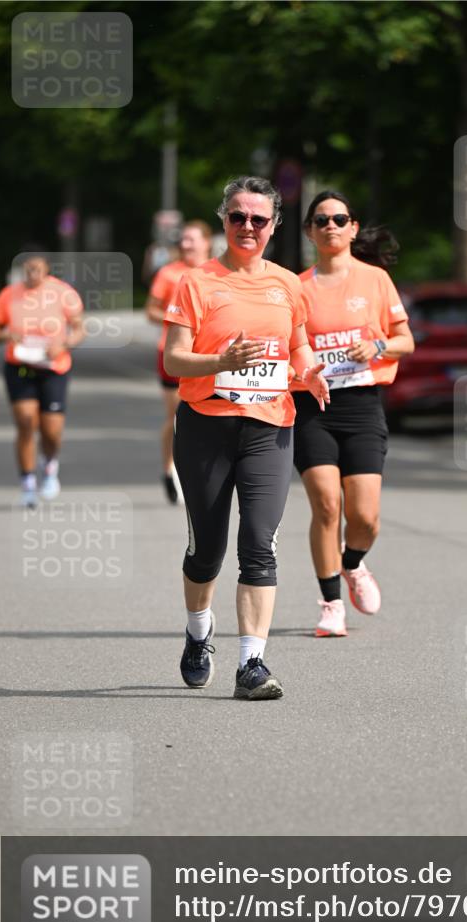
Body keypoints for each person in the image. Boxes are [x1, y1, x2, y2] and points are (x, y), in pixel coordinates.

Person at [163, 176, 329, 700]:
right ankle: (198, 634)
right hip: (205, 426)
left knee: (258, 545)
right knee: (206, 550)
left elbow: (298, 344)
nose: (248, 227)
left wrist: (311, 370)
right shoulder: (196, 282)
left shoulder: (288, 284)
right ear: (224, 220)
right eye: (239, 217)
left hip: (270, 428)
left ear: (275, 225)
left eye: (259, 219)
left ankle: (251, 664)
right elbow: (172, 359)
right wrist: (221, 362)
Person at [292, 191, 415, 637]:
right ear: (309, 231)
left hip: (362, 405)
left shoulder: (375, 280)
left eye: (339, 219)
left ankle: (353, 564)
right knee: (326, 504)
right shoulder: (296, 288)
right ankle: (330, 604)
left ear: (353, 228)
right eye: (321, 220)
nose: (330, 226)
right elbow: (285, 346)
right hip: (313, 407)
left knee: (364, 518)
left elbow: (406, 340)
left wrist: (377, 345)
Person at [0, 251, 85, 507]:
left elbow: (79, 329)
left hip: (54, 367)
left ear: (47, 269)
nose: (33, 274)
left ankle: (50, 466)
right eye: (28, 269)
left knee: (51, 431)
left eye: (37, 269)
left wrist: (63, 344)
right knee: (26, 423)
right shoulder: (10, 294)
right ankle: (27, 483)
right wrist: (6, 334)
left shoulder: (63, 293)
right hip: (19, 366)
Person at [146, 220, 213, 503]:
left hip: (209, 354)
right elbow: (150, 310)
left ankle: (203, 472)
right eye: (183, 240)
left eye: (192, 240)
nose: (185, 245)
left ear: (206, 242)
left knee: (209, 416)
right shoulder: (169, 273)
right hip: (172, 352)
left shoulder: (217, 271)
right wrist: (179, 322)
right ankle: (170, 470)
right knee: (179, 416)